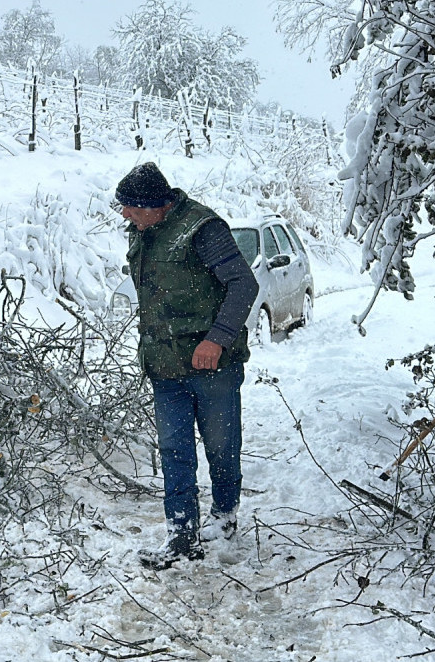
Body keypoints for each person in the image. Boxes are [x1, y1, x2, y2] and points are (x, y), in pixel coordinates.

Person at [116, 163, 259, 571]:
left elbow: (243, 284)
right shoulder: (144, 230)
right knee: (175, 450)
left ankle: (225, 516)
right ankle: (181, 535)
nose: (125, 216)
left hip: (213, 365)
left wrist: (217, 338)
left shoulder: (202, 229)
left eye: (131, 208)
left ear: (156, 205)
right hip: (165, 366)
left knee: (220, 446)